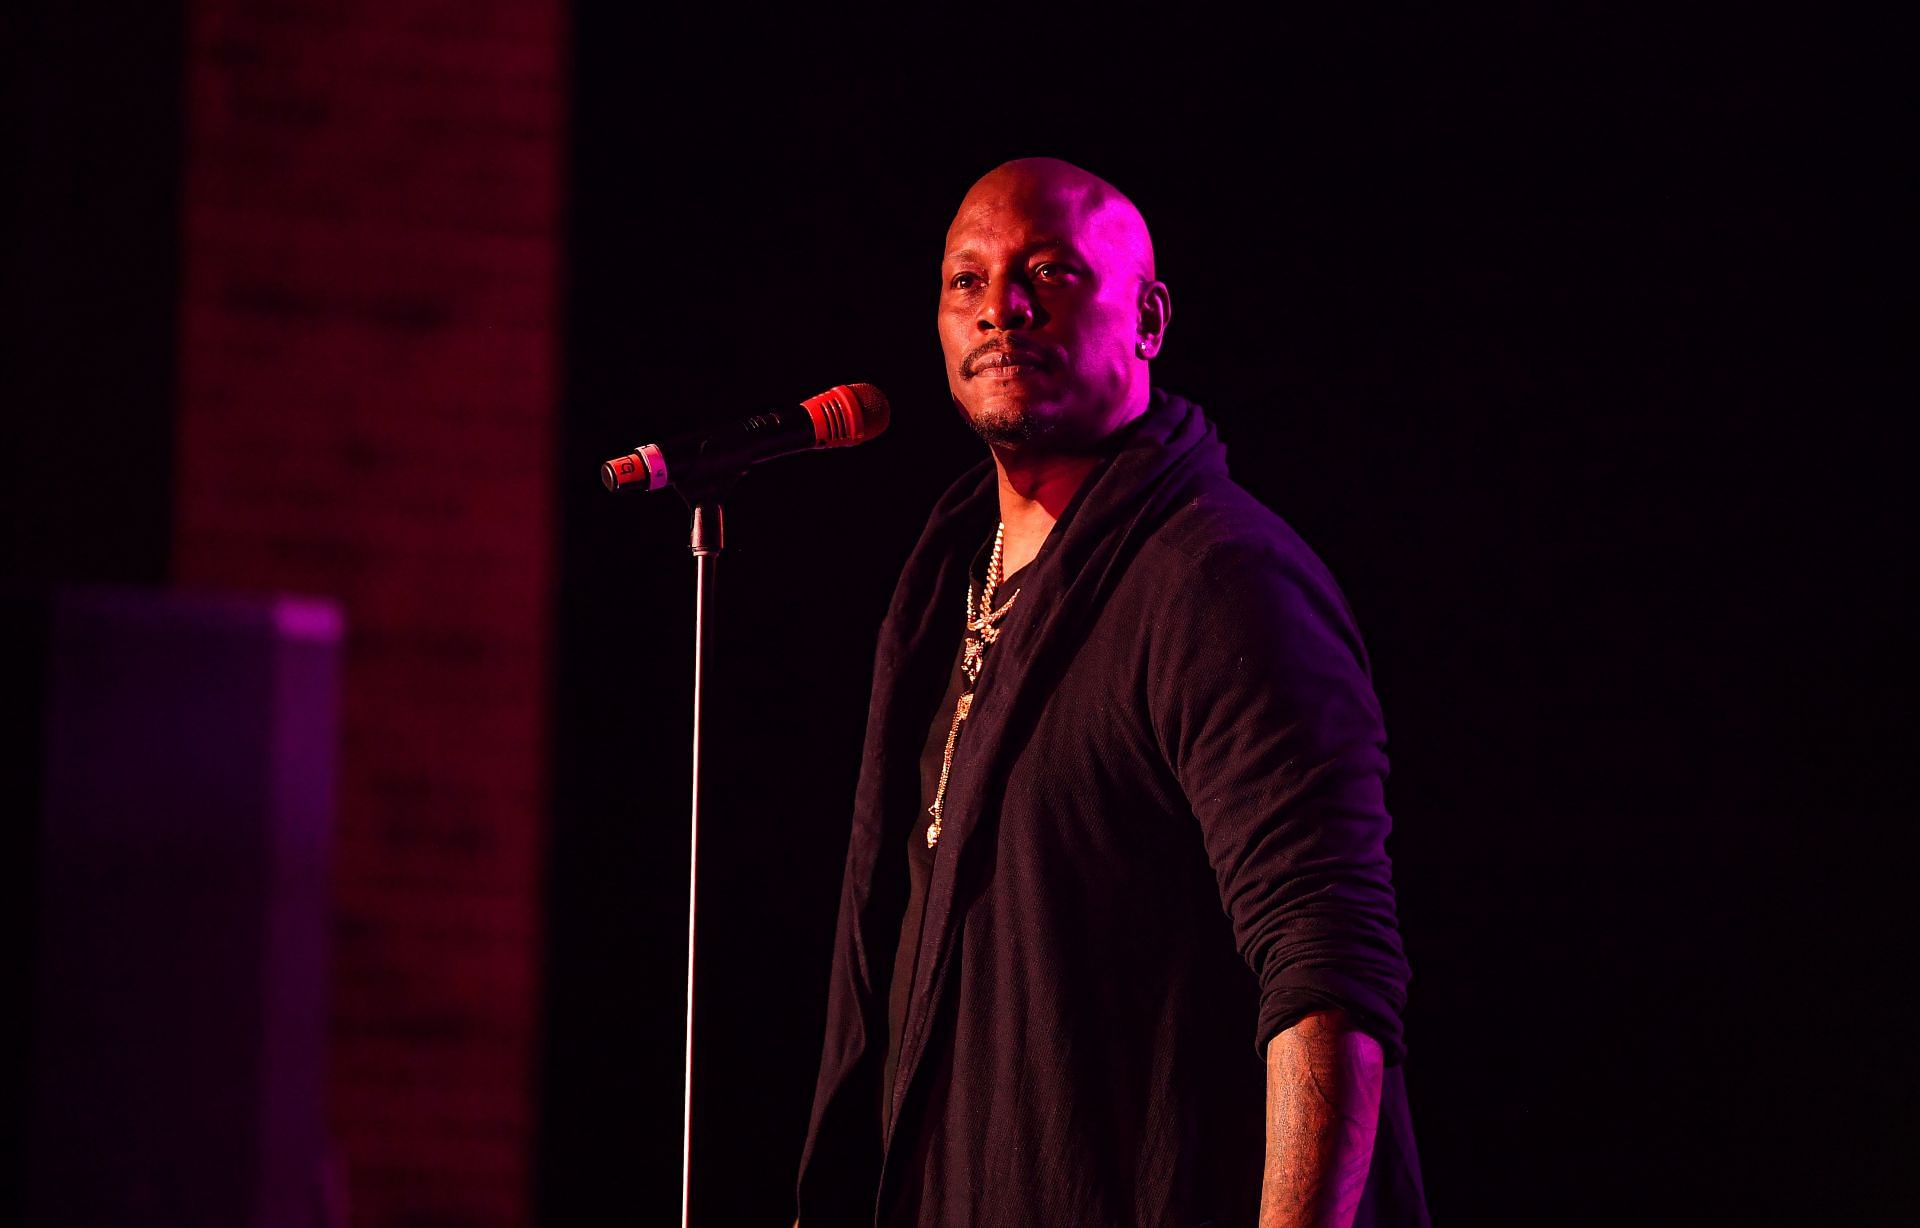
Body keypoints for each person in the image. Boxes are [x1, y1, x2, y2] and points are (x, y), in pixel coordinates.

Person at [796, 157, 1427, 1227]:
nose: (1005, 307)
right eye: (968, 280)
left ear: (1148, 318)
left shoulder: (1220, 583)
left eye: (1050, 272)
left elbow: (1327, 967)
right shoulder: (944, 590)